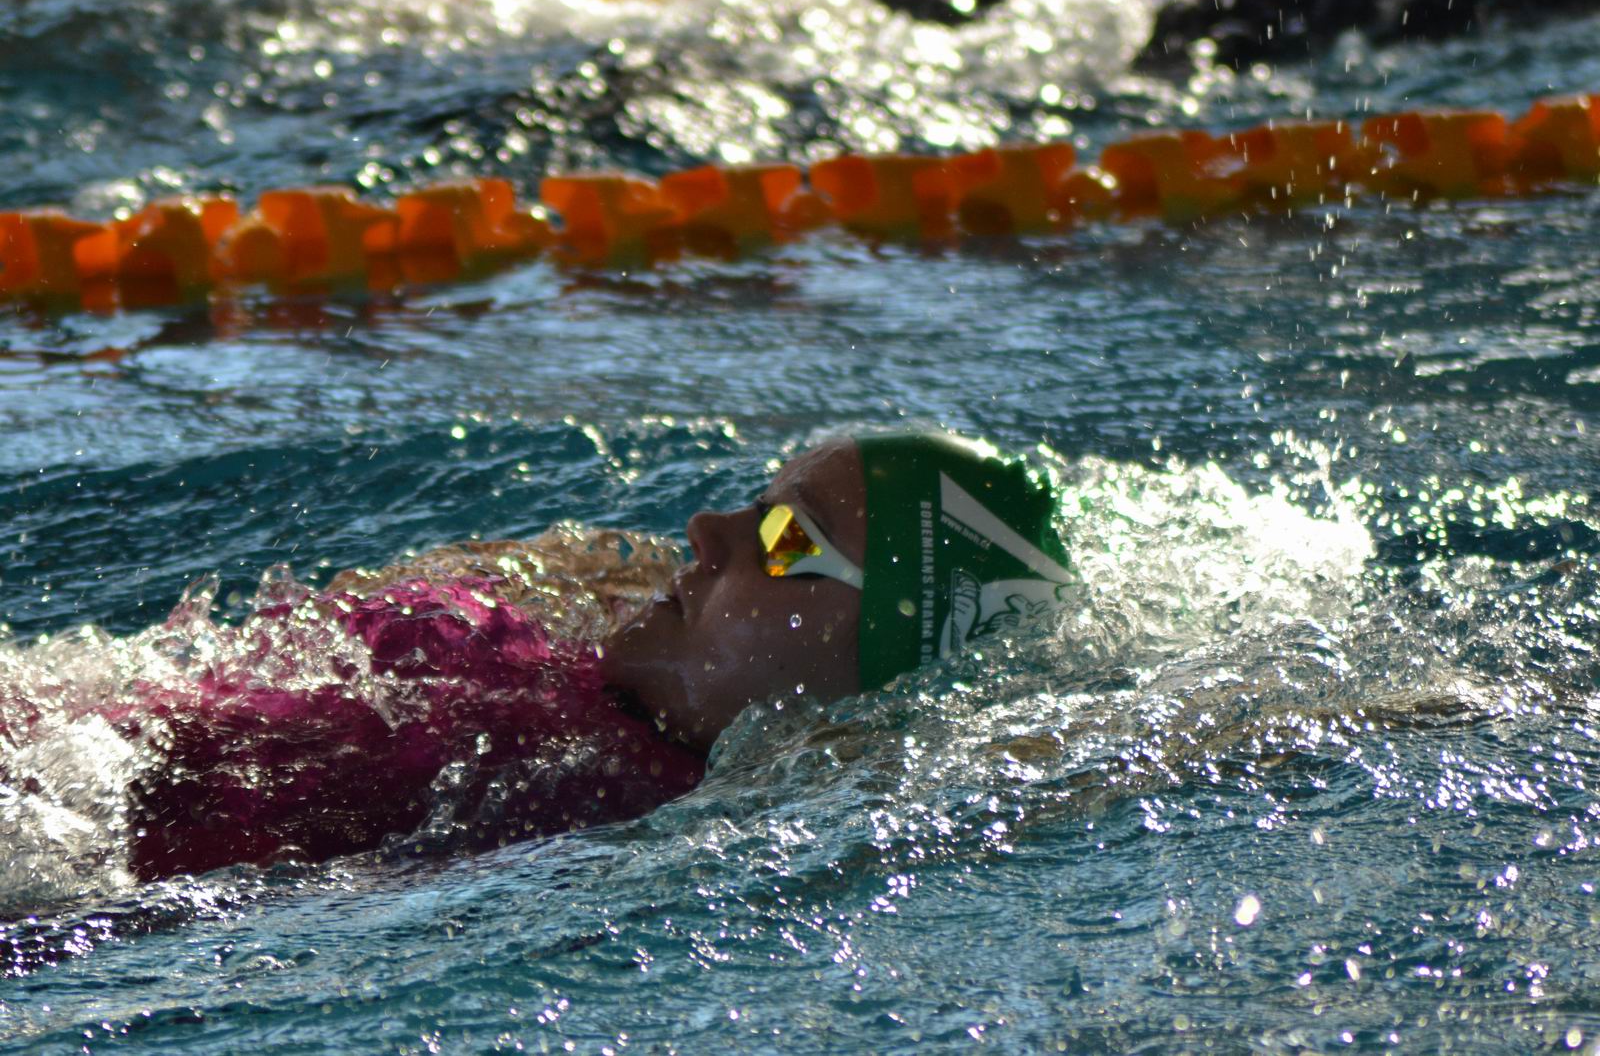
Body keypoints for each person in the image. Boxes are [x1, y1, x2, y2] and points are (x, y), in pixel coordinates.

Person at [3, 431, 1072, 882]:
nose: (707, 529)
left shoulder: (626, 816)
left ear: (872, 675)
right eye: (755, 501)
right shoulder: (585, 632)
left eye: (788, 537)